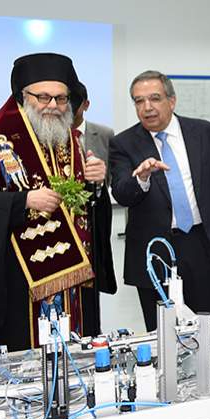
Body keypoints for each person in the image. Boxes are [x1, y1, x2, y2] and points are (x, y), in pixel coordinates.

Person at [0, 53, 106, 351]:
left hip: (74, 278)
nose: (53, 105)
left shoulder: (69, 139)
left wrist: (95, 183)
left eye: (61, 98)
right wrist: (22, 201)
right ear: (22, 97)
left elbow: (85, 209)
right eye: (43, 97)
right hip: (19, 280)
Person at [109, 71, 210, 331]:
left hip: (203, 245)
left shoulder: (205, 133)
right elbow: (121, 193)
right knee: (163, 334)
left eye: (154, 98)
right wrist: (141, 178)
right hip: (154, 251)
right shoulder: (123, 143)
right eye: (139, 101)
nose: (147, 107)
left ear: (172, 100)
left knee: (208, 327)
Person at [71, 81, 118, 337]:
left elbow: (113, 177)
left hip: (95, 218)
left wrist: (99, 181)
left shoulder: (106, 135)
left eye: (74, 105)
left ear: (86, 105)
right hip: (64, 221)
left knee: (93, 279)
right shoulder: (52, 135)